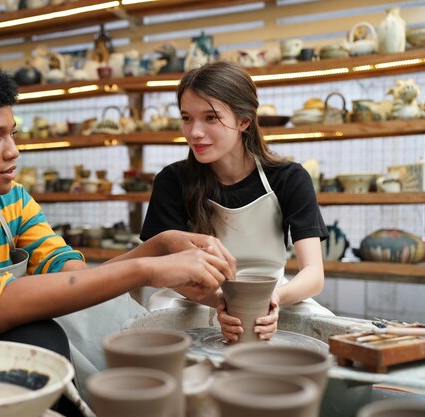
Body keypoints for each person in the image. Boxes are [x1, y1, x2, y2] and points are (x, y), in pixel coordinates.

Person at [0, 59, 235, 414]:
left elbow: (72, 278)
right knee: (39, 338)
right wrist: (149, 270)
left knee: (78, 322)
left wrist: (160, 245)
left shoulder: (13, 202)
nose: (14, 151)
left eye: (12, 133)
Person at [140, 61, 334, 343]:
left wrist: (272, 299)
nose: (194, 132)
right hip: (195, 296)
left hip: (272, 296)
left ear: (244, 121)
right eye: (186, 118)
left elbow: (314, 274)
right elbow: (165, 269)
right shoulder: (172, 181)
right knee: (151, 338)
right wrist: (221, 301)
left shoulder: (289, 178)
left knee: (328, 340)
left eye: (210, 118)